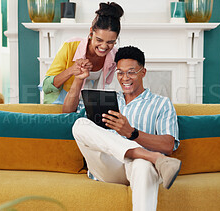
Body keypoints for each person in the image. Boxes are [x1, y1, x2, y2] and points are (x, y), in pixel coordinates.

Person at [64, 46, 181, 211]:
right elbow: (66, 113)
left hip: (140, 168)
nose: (125, 78)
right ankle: (154, 158)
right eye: (120, 72)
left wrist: (131, 133)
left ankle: (147, 158)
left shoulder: (161, 103)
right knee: (80, 124)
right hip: (108, 166)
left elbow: (168, 145)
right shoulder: (106, 99)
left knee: (143, 165)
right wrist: (78, 79)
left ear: (143, 72)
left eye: (131, 72)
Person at [42, 2, 124, 104]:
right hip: (59, 105)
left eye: (110, 42)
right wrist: (72, 70)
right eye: (99, 40)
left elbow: (104, 87)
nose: (104, 46)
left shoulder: (114, 56)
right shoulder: (70, 46)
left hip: (87, 107)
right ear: (91, 32)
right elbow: (46, 86)